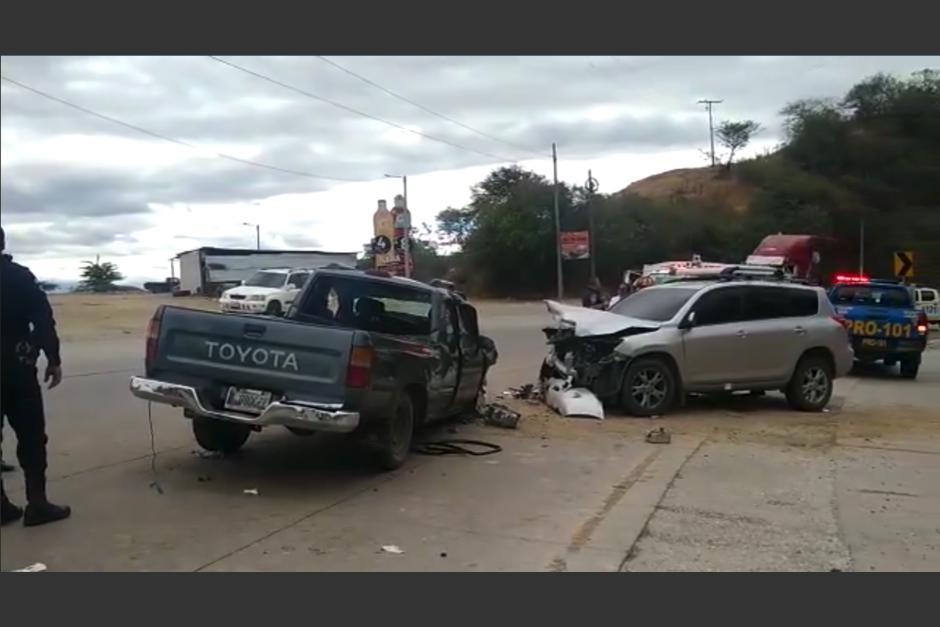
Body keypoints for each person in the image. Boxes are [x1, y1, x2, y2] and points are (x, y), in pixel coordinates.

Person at [1, 225, 71, 526]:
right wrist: (52, 358)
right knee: (31, 436)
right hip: (16, 367)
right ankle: (37, 504)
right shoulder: (19, 277)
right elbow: (43, 319)